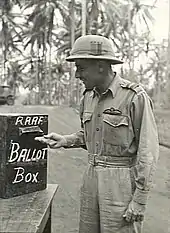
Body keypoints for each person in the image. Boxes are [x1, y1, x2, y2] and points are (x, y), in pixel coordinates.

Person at [35, 35, 159, 233]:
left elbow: (148, 151)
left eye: (81, 68)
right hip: (91, 177)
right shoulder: (88, 97)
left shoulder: (134, 97)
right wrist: (66, 140)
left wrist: (140, 199)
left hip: (120, 183)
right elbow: (90, 135)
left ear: (101, 66)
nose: (77, 75)